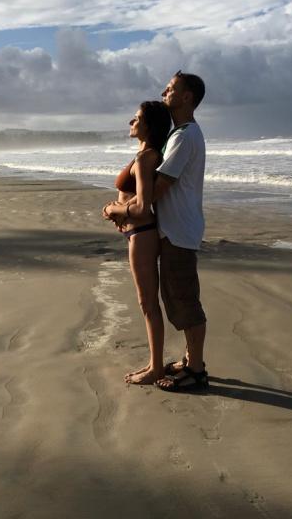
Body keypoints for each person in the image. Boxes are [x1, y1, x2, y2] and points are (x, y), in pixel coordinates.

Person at [109, 71, 209, 392]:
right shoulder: (178, 135)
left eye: (172, 88)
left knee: (184, 300)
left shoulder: (183, 137)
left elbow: (155, 190)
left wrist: (120, 209)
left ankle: (195, 369)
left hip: (178, 230)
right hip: (171, 230)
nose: (165, 90)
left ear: (187, 97)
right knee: (174, 299)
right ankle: (189, 360)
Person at [101, 101, 171, 384]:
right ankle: (156, 364)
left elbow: (142, 206)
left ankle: (156, 367)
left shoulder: (146, 158)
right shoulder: (144, 155)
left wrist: (111, 210)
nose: (131, 120)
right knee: (147, 302)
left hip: (142, 234)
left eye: (138, 118)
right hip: (136, 233)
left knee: (147, 303)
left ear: (149, 126)